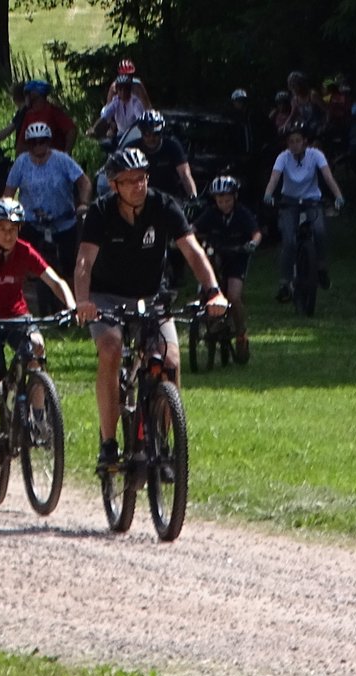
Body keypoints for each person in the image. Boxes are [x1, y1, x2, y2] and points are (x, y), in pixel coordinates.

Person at [71, 148, 229, 470]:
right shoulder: (100, 213)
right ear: (114, 185)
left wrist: (213, 292)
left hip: (151, 295)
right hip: (106, 297)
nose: (137, 186)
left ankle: (164, 442)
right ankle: (109, 442)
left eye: (141, 179)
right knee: (111, 349)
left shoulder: (164, 205)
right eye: (128, 181)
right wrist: (83, 301)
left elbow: (193, 251)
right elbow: (85, 261)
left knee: (170, 360)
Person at [0, 197, 77, 471]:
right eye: (2, 229)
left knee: (36, 346)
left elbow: (55, 280)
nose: (9, 235)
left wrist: (71, 307)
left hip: (16, 317)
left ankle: (37, 417)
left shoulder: (24, 251)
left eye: (13, 229)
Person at [2, 122, 91, 309]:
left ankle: (75, 308)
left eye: (42, 142)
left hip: (63, 221)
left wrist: (83, 203)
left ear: (48, 142)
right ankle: (17, 305)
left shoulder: (62, 160)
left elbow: (84, 182)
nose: (38, 147)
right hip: (32, 222)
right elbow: (8, 192)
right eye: (33, 143)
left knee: (70, 265)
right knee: (24, 263)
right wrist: (6, 211)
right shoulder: (22, 163)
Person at [261, 124, 348, 302]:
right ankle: (285, 283)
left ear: (305, 142)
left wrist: (338, 196)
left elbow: (327, 177)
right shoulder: (283, 157)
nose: (294, 145)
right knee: (289, 241)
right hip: (289, 202)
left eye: (298, 141)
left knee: (319, 231)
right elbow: (274, 178)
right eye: (291, 141)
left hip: (312, 201)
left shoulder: (316, 155)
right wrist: (268, 194)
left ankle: (321, 268)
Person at [191, 176, 261, 360]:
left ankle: (240, 334)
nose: (224, 204)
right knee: (204, 287)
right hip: (216, 254)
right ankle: (209, 321)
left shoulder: (242, 214)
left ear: (235, 197)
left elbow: (256, 233)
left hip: (237, 257)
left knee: (234, 296)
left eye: (228, 200)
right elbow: (193, 228)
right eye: (220, 200)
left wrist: (252, 244)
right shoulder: (211, 213)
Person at [122, 110, 200, 209]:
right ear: (141, 133)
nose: (151, 138)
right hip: (140, 199)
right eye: (147, 134)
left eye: (156, 134)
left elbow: (185, 174)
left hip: (169, 198)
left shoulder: (172, 147)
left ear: (161, 132)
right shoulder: (131, 149)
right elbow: (120, 176)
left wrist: (193, 197)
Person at [14, 80, 78, 154]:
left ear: (37, 94)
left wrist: (67, 152)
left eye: (28, 93)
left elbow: (71, 130)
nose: (26, 97)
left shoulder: (52, 111)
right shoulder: (28, 115)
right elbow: (21, 143)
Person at [92, 75, 150, 143]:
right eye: (120, 89)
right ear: (117, 90)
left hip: (135, 136)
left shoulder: (135, 102)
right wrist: (94, 130)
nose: (123, 92)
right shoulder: (115, 102)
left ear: (130, 90)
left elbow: (140, 119)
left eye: (126, 89)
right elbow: (105, 117)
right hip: (121, 136)